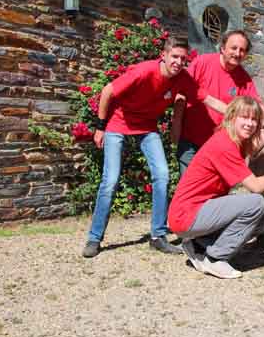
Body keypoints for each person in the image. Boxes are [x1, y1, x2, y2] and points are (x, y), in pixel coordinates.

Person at [82, 37, 228, 258]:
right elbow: (107, 91)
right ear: (164, 55)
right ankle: (94, 238)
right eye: (175, 57)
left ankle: (157, 236)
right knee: (110, 180)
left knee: (162, 174)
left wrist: (242, 114)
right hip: (117, 125)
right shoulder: (144, 72)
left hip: (147, 128)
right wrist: (100, 127)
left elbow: (210, 100)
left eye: (183, 58)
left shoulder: (182, 79)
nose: (179, 62)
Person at [167, 96, 264, 279]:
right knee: (256, 203)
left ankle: (199, 244)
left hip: (193, 211)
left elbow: (254, 145)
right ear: (231, 117)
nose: (250, 123)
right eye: (244, 117)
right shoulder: (224, 145)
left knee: (260, 223)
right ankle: (214, 258)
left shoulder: (232, 139)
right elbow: (256, 186)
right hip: (187, 216)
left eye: (254, 119)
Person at [171, 30, 264, 175]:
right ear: (222, 48)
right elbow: (181, 93)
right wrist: (176, 124)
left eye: (242, 50)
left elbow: (254, 105)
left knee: (215, 192)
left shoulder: (243, 78)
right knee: (190, 190)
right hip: (191, 142)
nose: (237, 53)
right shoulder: (202, 63)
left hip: (220, 146)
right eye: (234, 48)